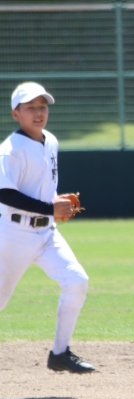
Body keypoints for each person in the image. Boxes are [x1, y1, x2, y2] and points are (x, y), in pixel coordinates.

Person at [0, 82, 94, 373]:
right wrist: (49, 208)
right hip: (14, 234)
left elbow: (40, 190)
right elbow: (5, 193)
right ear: (16, 114)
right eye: (30, 108)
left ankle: (60, 353)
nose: (38, 112)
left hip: (47, 232)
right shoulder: (10, 150)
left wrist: (54, 202)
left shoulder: (50, 140)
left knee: (76, 281)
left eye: (42, 106)